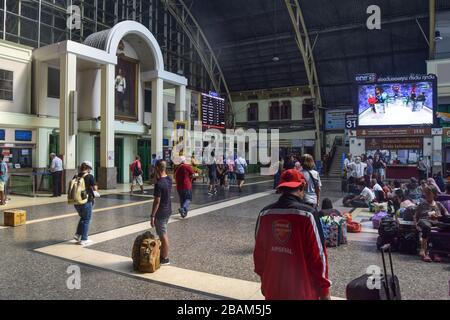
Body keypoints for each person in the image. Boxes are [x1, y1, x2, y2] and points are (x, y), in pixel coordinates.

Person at [253, 169, 331, 300]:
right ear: (301, 187)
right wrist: (324, 291)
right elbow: (318, 257)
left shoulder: (265, 214)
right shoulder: (308, 215)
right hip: (303, 291)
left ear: (281, 189)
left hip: (273, 289)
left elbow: (259, 254)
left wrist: (264, 280)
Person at [415, 184, 450, 262]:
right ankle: (423, 250)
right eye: (426, 194)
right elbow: (415, 216)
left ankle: (435, 252)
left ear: (434, 194)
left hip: (436, 223)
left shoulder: (438, 204)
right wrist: (416, 225)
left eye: (429, 194)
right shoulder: (422, 204)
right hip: (424, 221)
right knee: (426, 226)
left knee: (446, 224)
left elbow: (446, 214)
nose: (427, 196)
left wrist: (439, 216)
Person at [150, 160, 172, 266]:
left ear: (157, 168)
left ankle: (165, 258)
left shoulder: (159, 184)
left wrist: (152, 215)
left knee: (163, 236)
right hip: (168, 210)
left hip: (161, 212)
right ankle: (163, 255)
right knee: (163, 233)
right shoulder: (168, 179)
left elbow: (157, 201)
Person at [73, 161, 98, 246]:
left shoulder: (76, 176)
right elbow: (95, 188)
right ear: (88, 168)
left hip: (76, 201)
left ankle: (78, 234)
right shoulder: (89, 176)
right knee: (86, 219)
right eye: (90, 168)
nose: (90, 170)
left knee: (83, 217)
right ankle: (84, 239)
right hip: (86, 201)